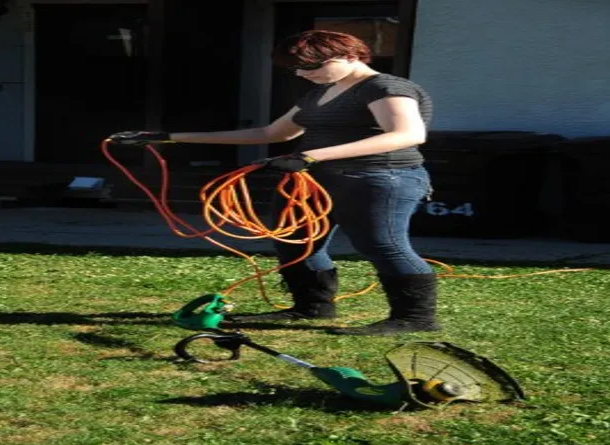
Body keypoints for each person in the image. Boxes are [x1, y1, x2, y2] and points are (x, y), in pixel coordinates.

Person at [107, 29, 439, 336]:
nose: (301, 73)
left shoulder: (385, 88)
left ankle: (415, 317)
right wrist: (169, 137)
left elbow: (407, 135)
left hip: (380, 178)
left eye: (310, 66)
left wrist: (312, 156)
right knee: (296, 242)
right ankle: (312, 308)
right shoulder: (321, 93)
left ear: (350, 56)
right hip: (314, 180)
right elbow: (270, 133)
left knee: (382, 244)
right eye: (296, 68)